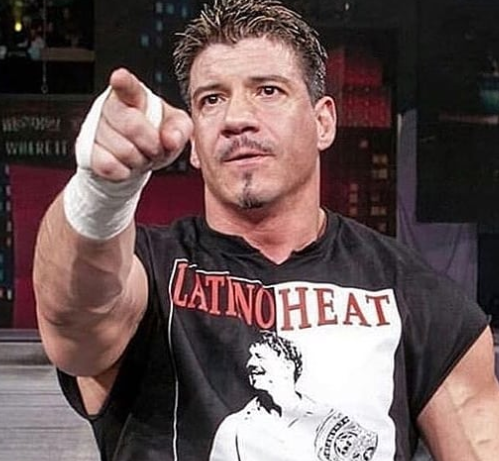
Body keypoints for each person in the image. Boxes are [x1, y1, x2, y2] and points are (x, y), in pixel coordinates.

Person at [32, 0, 499, 460]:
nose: (236, 118)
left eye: (268, 90)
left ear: (323, 122)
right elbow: (73, 318)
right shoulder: (149, 276)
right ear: (194, 143)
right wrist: (100, 192)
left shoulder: (418, 299)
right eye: (212, 99)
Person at [209, 331, 378, 461]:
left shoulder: (330, 419)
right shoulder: (233, 428)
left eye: (259, 357)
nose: (250, 364)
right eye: (251, 357)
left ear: (287, 367)